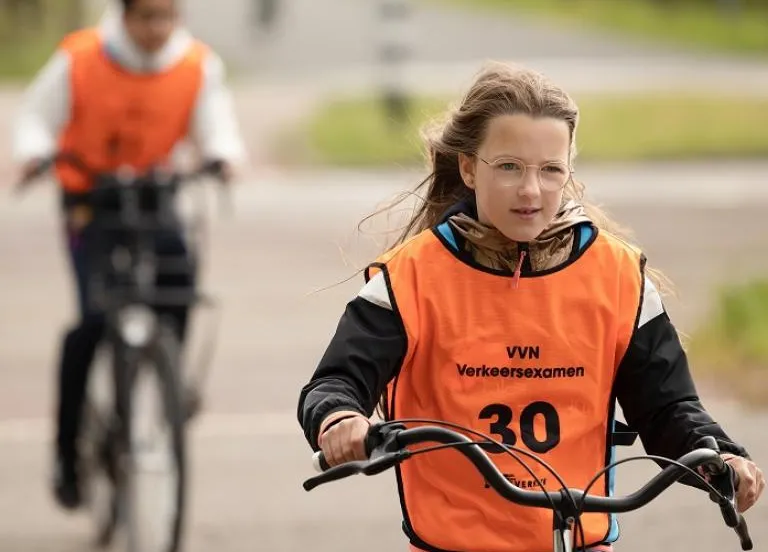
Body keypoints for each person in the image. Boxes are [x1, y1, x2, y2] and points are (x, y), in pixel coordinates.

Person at [297, 62, 765, 552]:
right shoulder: (409, 278)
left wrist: (721, 461)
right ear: (468, 168)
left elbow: (669, 409)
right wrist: (339, 420)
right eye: (509, 167)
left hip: (581, 539)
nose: (530, 190)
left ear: (569, 171)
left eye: (550, 170)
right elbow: (335, 382)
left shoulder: (620, 277)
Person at [12, 0, 246, 511]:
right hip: (90, 203)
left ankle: (164, 375)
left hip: (153, 194)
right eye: (147, 17)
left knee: (179, 287)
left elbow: (216, 122)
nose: (158, 29)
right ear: (123, 15)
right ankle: (66, 453)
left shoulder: (195, 64)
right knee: (93, 320)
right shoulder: (80, 57)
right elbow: (36, 116)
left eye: (168, 16)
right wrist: (34, 152)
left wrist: (223, 155)